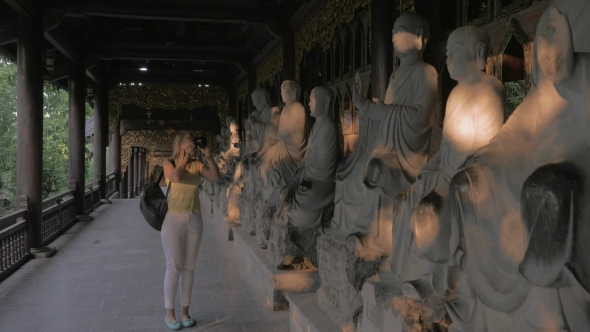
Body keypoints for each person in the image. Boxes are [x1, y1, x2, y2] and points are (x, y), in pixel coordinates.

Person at [161, 131, 220, 330]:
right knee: (174, 267)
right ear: (179, 145)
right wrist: (183, 158)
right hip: (173, 220)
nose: (193, 144)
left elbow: (215, 176)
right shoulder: (168, 163)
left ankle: (185, 312)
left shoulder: (197, 165)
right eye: (189, 142)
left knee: (189, 267)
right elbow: (175, 178)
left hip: (194, 218)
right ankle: (170, 314)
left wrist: (208, 156)